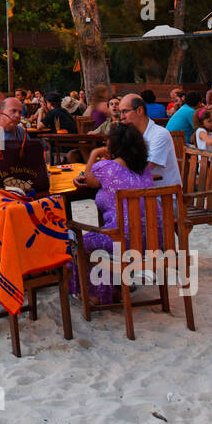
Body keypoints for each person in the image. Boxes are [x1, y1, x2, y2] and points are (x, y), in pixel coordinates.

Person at [70, 123, 157, 303]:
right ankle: (115, 288)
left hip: (122, 241)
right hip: (152, 240)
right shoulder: (145, 168)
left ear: (112, 144)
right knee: (109, 236)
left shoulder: (107, 168)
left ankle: (95, 294)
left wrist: (95, 153)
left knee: (79, 241)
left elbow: (89, 180)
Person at [117, 94, 181, 187]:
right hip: (141, 192)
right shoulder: (130, 134)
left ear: (139, 110)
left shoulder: (160, 134)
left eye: (125, 111)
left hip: (163, 196)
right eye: (120, 113)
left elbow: (145, 169)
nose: (122, 117)